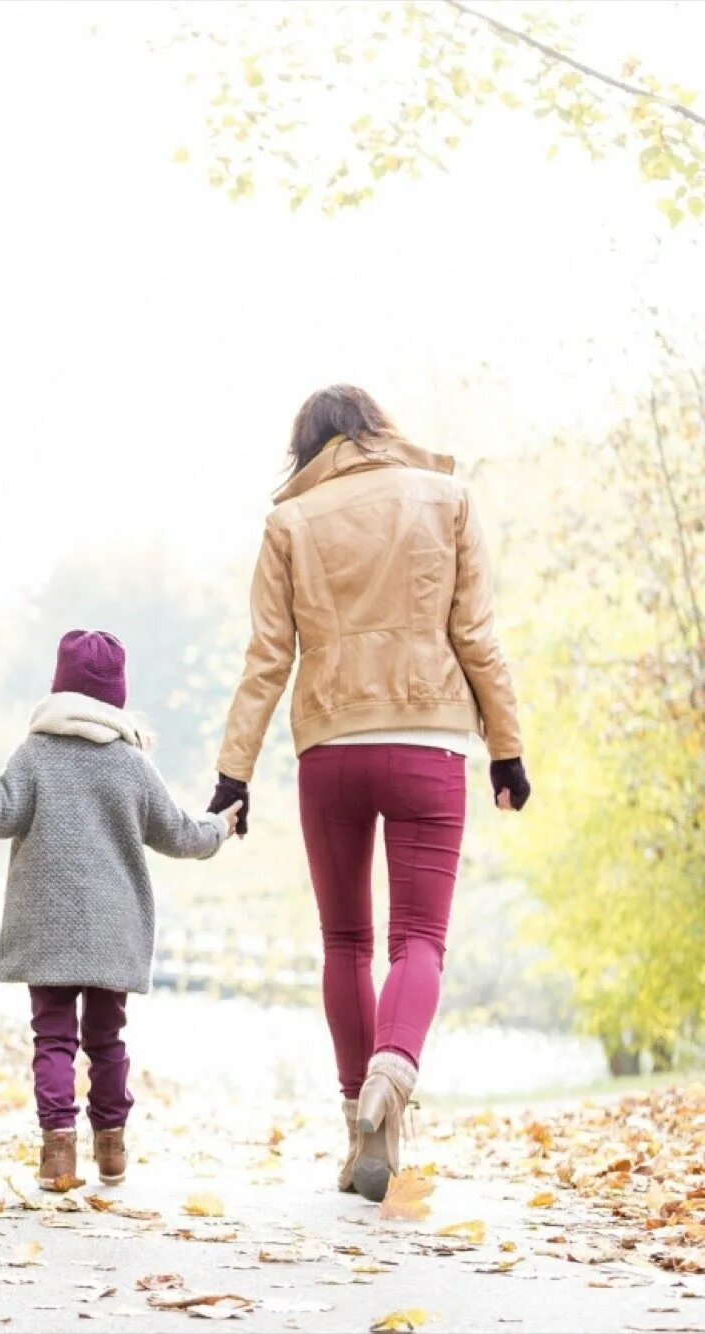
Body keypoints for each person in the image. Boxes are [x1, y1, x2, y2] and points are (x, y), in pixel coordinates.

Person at [207, 385, 530, 1203]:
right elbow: (478, 637)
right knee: (418, 938)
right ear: (379, 429)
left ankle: (358, 1129)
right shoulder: (448, 499)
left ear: (307, 447)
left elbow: (267, 659)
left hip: (330, 750)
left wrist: (232, 774)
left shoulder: (290, 522)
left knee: (345, 944)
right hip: (428, 741)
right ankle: (396, 1072)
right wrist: (506, 748)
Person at [0, 630, 234, 1188]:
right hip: (113, 929)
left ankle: (57, 1152)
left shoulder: (36, 753)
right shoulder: (132, 765)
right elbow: (182, 834)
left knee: (54, 1039)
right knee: (107, 1039)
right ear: (118, 697)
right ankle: (112, 1149)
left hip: (47, 928)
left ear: (58, 688)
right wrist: (221, 826)